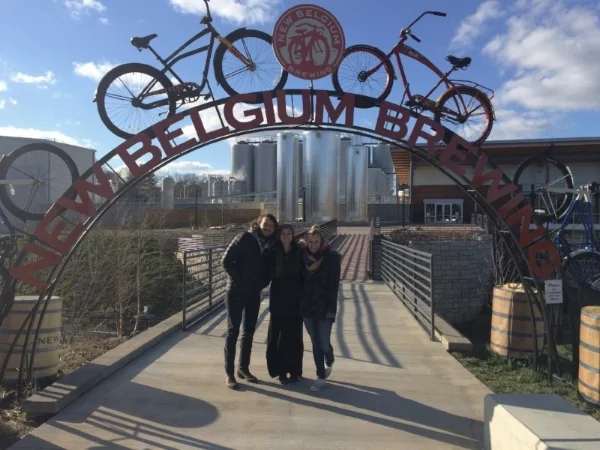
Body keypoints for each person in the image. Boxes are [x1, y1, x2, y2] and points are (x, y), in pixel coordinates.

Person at [221, 213, 278, 389]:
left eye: (271, 226)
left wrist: (262, 284)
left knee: (249, 332)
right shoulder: (245, 237)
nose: (268, 228)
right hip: (235, 292)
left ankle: (243, 368)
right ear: (258, 223)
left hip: (253, 294)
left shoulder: (270, 245)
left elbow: (269, 270)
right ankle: (230, 373)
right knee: (233, 332)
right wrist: (240, 281)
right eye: (265, 224)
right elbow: (226, 261)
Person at [299, 224, 341, 392]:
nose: (313, 245)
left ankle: (329, 358)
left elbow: (334, 286)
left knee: (323, 343)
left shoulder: (331, 257)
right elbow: (298, 280)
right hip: (307, 307)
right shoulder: (303, 257)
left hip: (324, 308)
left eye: (316, 242)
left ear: (322, 241)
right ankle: (320, 376)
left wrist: (331, 310)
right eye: (310, 242)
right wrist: (307, 270)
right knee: (315, 342)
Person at [264, 223, 305, 384]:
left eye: (289, 233)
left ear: (293, 235)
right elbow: (262, 267)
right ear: (279, 235)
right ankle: (280, 371)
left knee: (294, 337)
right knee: (277, 337)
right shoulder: (273, 251)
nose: (286, 236)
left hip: (295, 299)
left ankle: (294, 370)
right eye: (283, 233)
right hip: (278, 299)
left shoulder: (299, 251)